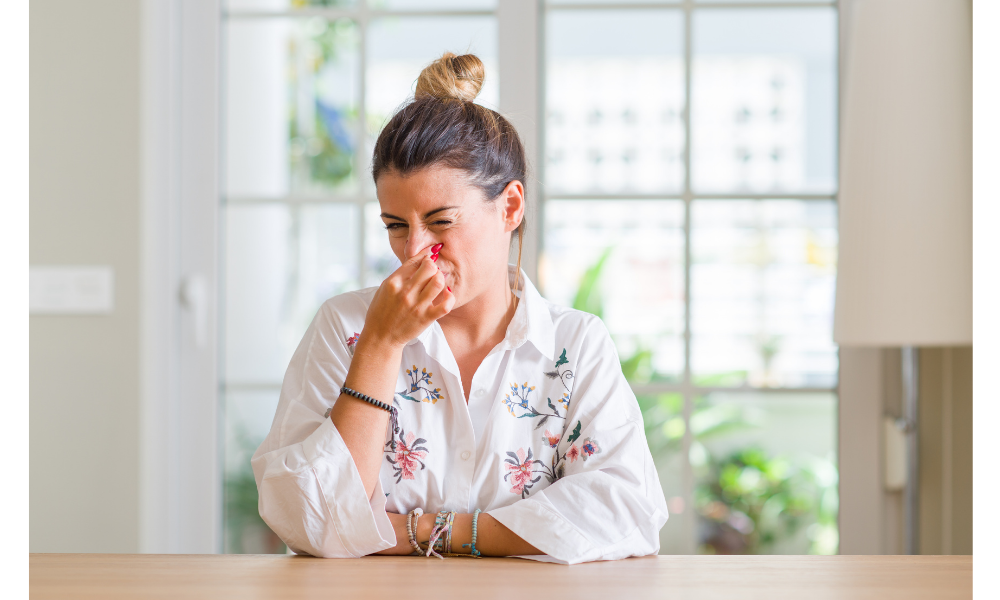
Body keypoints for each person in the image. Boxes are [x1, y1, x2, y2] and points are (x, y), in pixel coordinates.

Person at [251, 52, 668, 564]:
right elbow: (306, 521)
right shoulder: (345, 328)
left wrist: (428, 531)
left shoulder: (575, 344)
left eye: (441, 221)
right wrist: (380, 346)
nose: (414, 251)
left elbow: (627, 511)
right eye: (396, 225)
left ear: (510, 206)